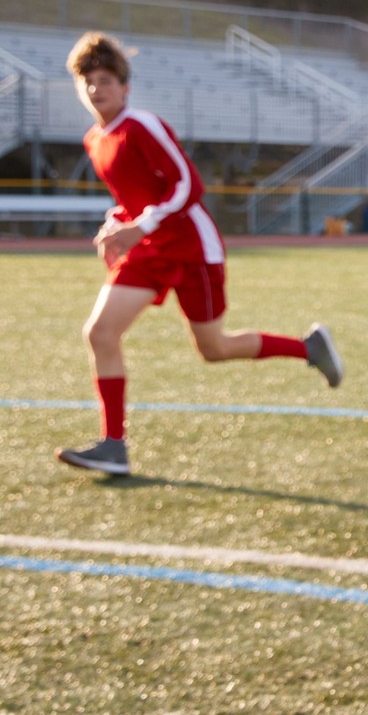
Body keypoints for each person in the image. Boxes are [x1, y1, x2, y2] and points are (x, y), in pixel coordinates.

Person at [57, 32, 343, 478]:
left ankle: (308, 348)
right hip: (150, 250)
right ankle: (114, 446)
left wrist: (141, 224)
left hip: (192, 249)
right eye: (88, 82)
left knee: (213, 348)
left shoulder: (142, 125)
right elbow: (136, 195)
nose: (96, 89)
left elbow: (188, 185)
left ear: (125, 86)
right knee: (100, 333)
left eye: (106, 80)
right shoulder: (95, 139)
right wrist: (117, 223)